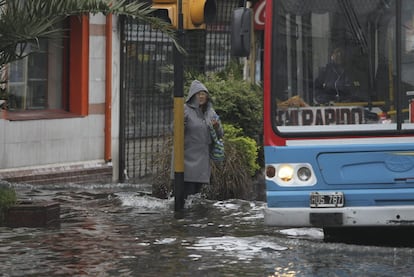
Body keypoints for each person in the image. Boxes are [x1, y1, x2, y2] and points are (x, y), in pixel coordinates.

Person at [182, 80, 223, 200]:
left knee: (196, 196)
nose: (201, 96)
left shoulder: (210, 112)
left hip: (203, 160)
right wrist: (181, 123)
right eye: (198, 93)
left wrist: (216, 126)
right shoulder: (184, 109)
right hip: (187, 159)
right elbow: (174, 130)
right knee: (186, 193)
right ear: (192, 95)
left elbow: (220, 134)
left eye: (203, 94)